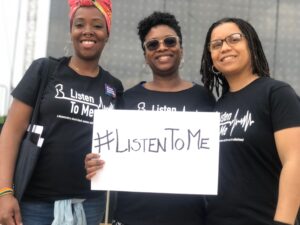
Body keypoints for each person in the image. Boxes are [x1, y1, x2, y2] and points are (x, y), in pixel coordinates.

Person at [85, 11, 216, 225]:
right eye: (152, 45)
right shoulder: (128, 99)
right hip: (131, 218)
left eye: (170, 41)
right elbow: (112, 153)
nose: (162, 47)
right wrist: (96, 164)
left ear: (180, 48)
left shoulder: (203, 98)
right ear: (145, 55)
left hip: (189, 218)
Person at [0, 0, 123, 224]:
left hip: (90, 206)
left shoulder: (114, 87)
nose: (88, 31)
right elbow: (10, 133)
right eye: (79, 24)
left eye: (97, 25)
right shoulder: (44, 70)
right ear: (71, 30)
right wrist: (5, 192)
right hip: (34, 206)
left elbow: (119, 148)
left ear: (107, 33)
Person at [200, 17, 300, 225]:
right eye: (216, 45)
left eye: (234, 39)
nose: (225, 48)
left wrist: (283, 222)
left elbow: (295, 160)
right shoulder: (217, 108)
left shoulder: (276, 93)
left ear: (251, 44)